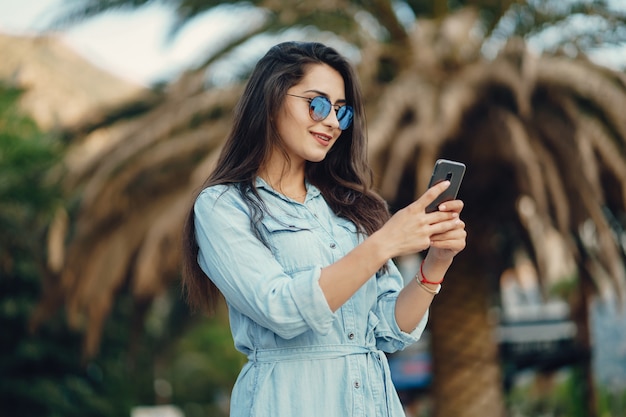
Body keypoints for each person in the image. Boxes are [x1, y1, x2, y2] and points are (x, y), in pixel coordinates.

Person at [181, 41, 466, 417]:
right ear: (271, 101)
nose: (331, 121)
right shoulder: (222, 206)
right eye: (316, 104)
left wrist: (436, 263)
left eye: (341, 111)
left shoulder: (353, 207)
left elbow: (390, 329)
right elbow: (281, 309)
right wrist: (382, 245)